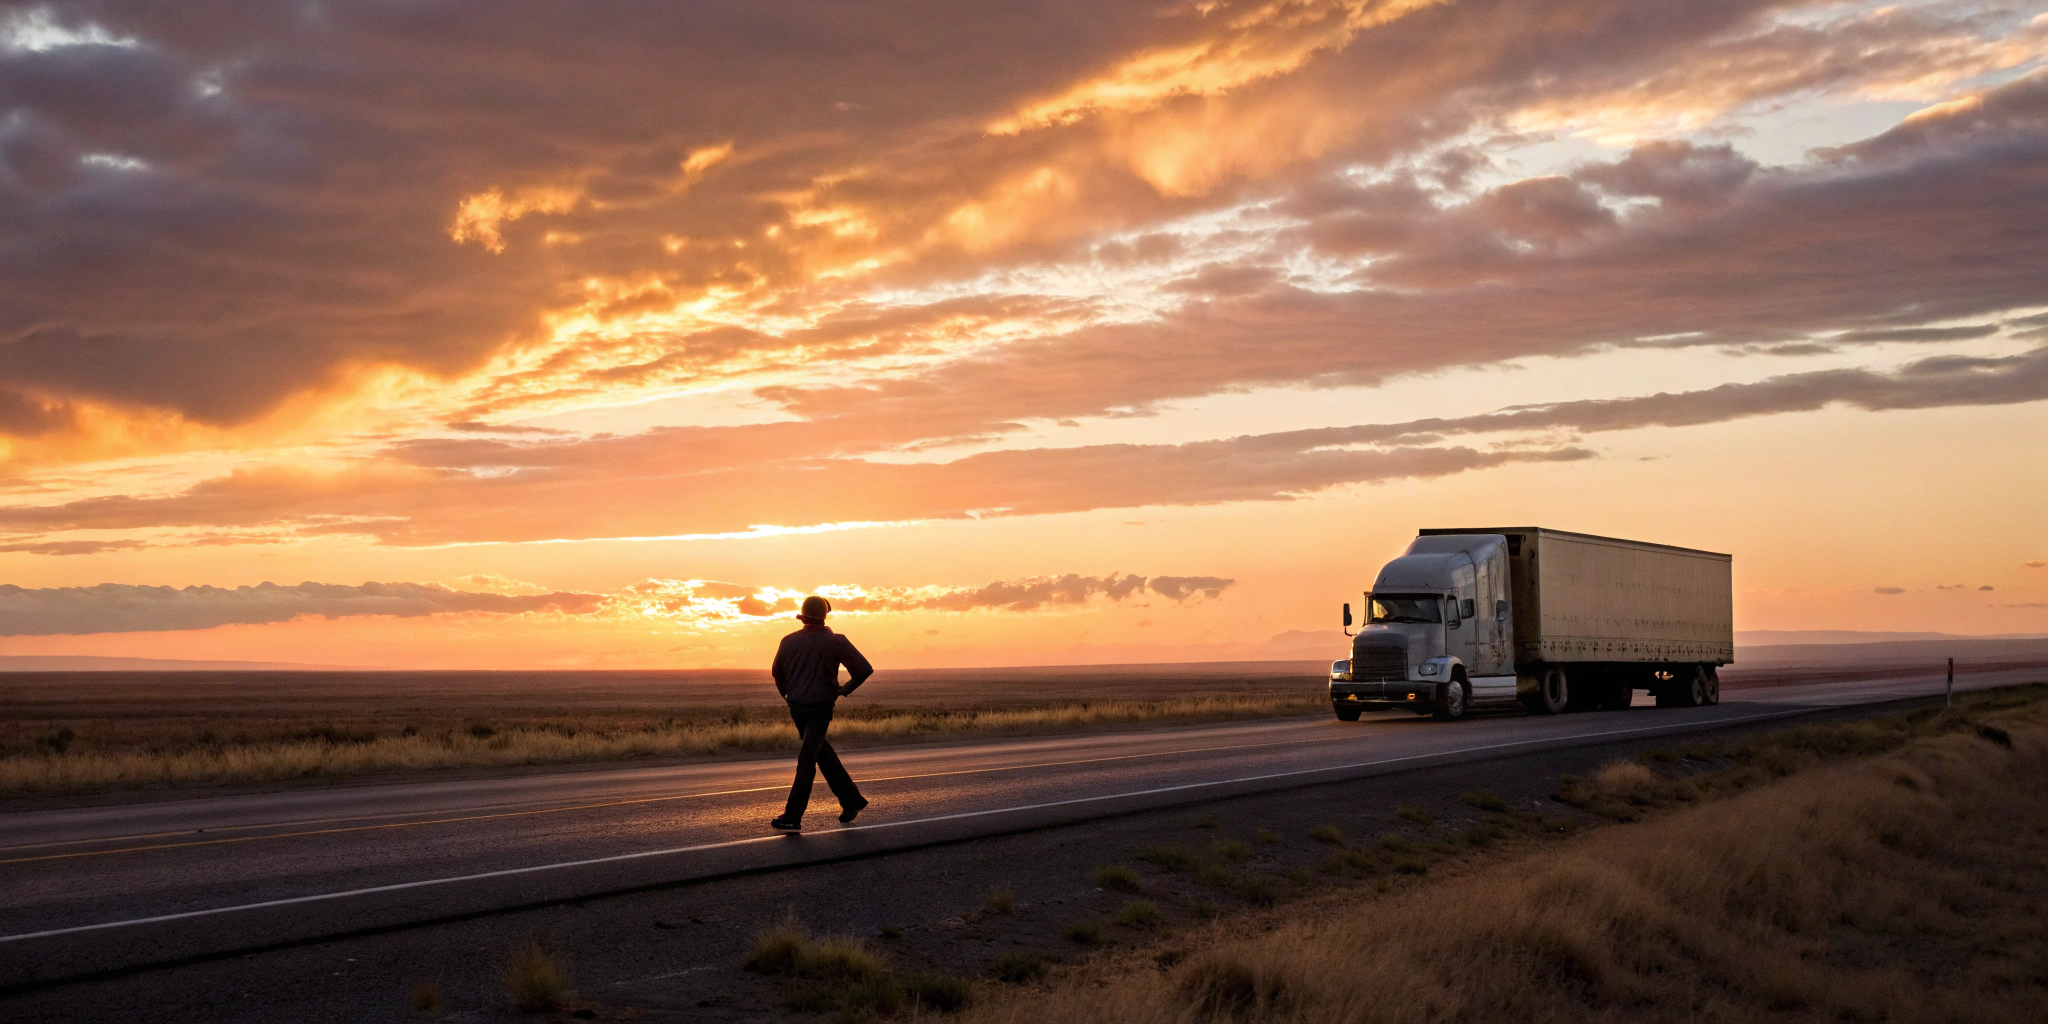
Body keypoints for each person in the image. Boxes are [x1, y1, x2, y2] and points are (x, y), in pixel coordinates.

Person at [768, 595, 873, 831]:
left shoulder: (788, 641)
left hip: (799, 708)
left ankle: (793, 815)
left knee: (807, 760)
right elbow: (863, 669)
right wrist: (844, 689)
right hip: (820, 707)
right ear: (825, 616)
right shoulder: (836, 641)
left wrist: (788, 697)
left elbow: (778, 675)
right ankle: (852, 801)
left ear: (803, 615)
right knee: (820, 755)